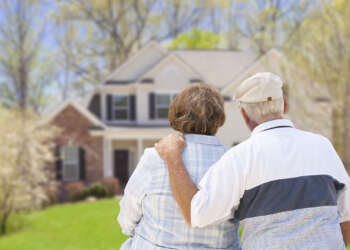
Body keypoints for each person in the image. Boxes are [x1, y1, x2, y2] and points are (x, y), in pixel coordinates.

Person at [155, 72, 350, 250]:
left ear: (244, 114)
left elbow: (197, 213)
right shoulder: (322, 146)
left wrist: (173, 157)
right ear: (284, 105)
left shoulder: (240, 157)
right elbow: (346, 214)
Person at [118, 84, 241, 250]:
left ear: (176, 116)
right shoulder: (235, 162)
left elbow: (128, 215)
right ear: (219, 120)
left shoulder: (154, 158)